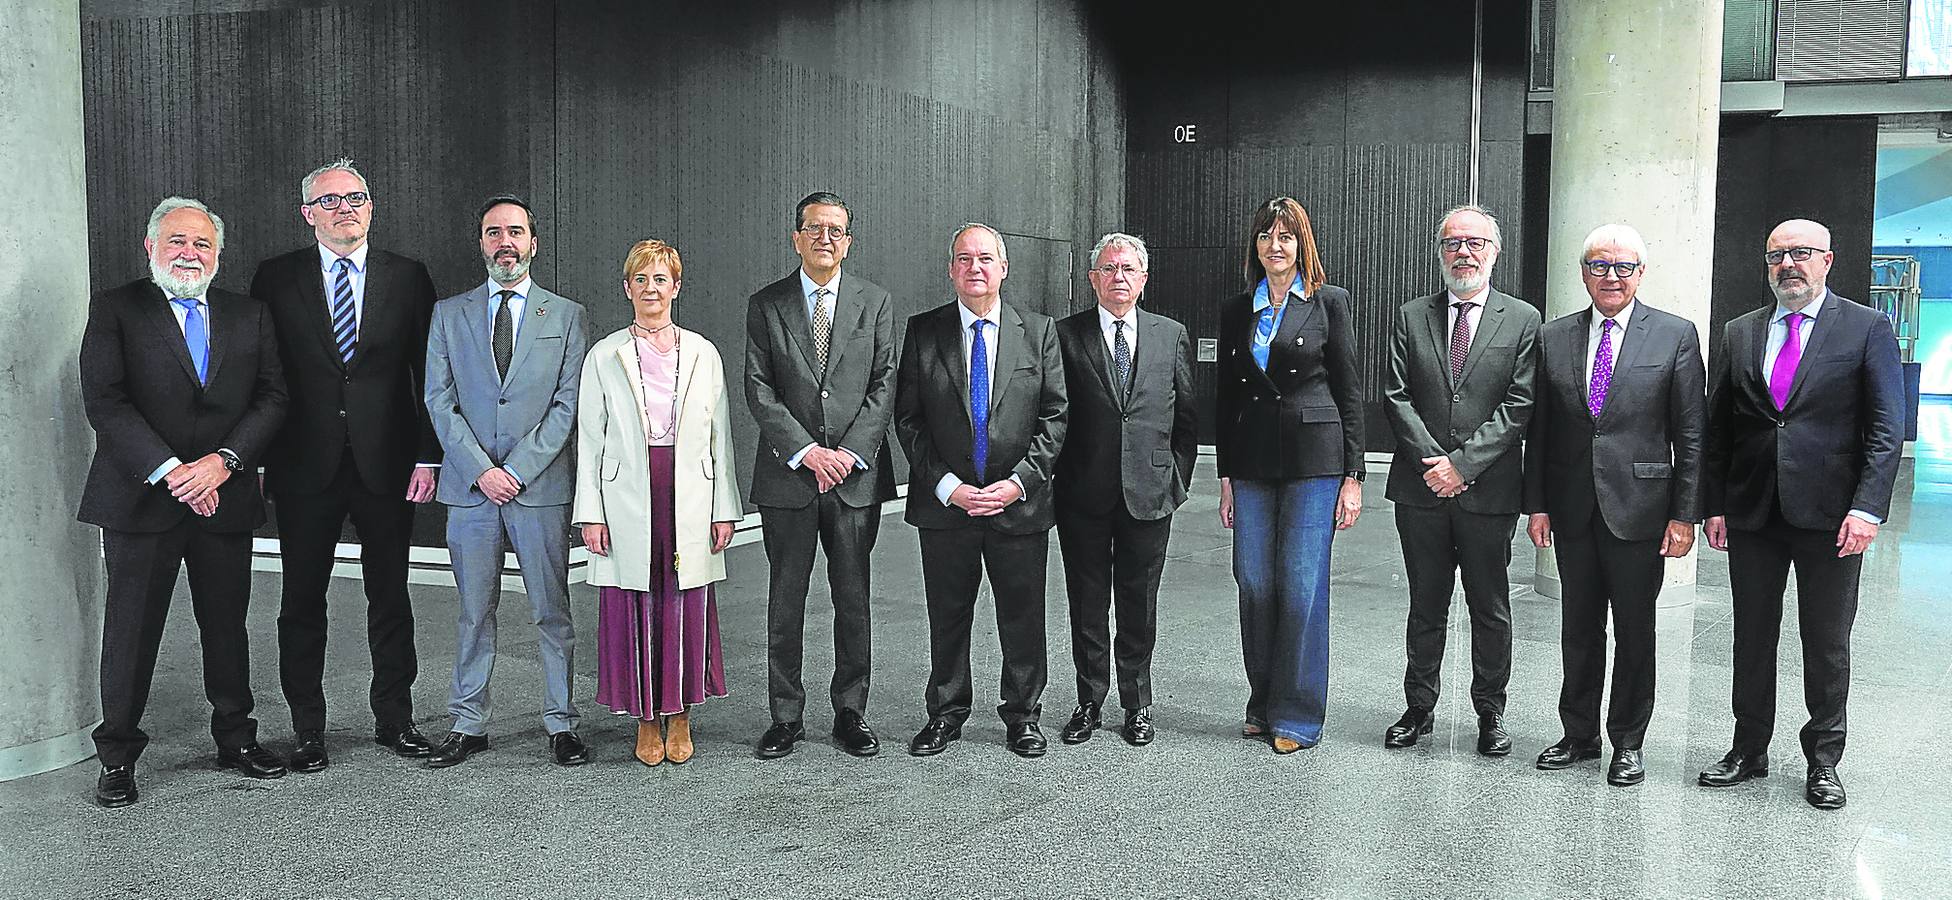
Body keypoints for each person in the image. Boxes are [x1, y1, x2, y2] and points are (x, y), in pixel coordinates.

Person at [78, 197, 290, 806]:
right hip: (141, 501)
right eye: (176, 241)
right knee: (132, 630)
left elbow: (273, 398)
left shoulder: (248, 314)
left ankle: (236, 737)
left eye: (201, 244)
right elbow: (106, 401)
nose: (189, 253)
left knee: (225, 625)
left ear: (218, 254)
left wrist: (221, 465)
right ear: (151, 247)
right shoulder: (117, 308)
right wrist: (175, 472)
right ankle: (116, 754)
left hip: (224, 495)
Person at [1699, 218, 1903, 810]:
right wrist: (1713, 504)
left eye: (1802, 254)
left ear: (1828, 260)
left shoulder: (1867, 328)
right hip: (1754, 510)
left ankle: (1823, 758)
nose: (1789, 264)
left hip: (1833, 516)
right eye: (1777, 256)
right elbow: (1720, 427)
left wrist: (1867, 508)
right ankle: (1748, 747)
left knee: (1827, 639)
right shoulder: (1740, 332)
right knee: (1751, 636)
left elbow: (1886, 429)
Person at [250, 158, 440, 769]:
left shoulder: (408, 277)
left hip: (388, 464)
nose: (345, 209)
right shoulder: (275, 279)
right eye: (329, 201)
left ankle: (395, 718)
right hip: (304, 466)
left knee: (391, 597)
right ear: (308, 213)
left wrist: (427, 456)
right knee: (302, 601)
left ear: (372, 206)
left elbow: (428, 376)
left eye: (355, 197)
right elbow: (263, 376)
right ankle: (308, 728)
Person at [1522, 223, 1705, 786]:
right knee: (1578, 628)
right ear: (1583, 273)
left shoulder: (1674, 335)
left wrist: (1684, 513)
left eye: (1624, 266)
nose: (1612, 276)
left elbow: (1691, 432)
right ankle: (1578, 734)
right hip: (1572, 508)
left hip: (1642, 510)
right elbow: (1541, 430)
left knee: (1634, 629)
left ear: (1641, 274)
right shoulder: (1554, 337)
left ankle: (1627, 741)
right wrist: (1537, 506)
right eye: (1600, 265)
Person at [421, 195, 590, 768]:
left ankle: (561, 722)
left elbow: (567, 406)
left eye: (515, 232)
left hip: (538, 489)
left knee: (551, 608)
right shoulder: (450, 314)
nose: (504, 243)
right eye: (493, 233)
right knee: (474, 610)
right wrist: (482, 471)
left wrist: (515, 471)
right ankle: (468, 724)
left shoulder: (566, 315)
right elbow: (438, 401)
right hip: (471, 491)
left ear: (533, 243)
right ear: (482, 244)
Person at [894, 222, 1067, 759]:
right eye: (964, 259)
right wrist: (949, 487)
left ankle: (1023, 715)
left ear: (1004, 268)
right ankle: (946, 713)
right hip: (947, 509)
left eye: (986, 258)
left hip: (1019, 507)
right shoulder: (923, 332)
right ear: (951, 269)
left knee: (1022, 616)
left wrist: (1018, 484)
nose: (975, 267)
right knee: (948, 615)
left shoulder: (1037, 331)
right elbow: (909, 420)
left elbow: (1055, 417)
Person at [574, 239, 743, 766]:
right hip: (626, 492)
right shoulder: (604, 354)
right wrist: (591, 512)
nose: (652, 289)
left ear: (676, 286)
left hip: (690, 489)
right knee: (636, 598)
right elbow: (590, 437)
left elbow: (720, 434)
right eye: (641, 280)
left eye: (661, 279)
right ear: (627, 289)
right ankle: (647, 718)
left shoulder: (703, 352)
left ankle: (682, 713)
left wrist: (724, 506)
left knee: (684, 598)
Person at [1381, 204, 1540, 757]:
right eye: (1453, 243)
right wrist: (1435, 464)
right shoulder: (1410, 315)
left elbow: (1519, 405)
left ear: (1495, 252)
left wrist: (1463, 466)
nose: (1464, 252)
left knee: (1489, 606)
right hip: (1420, 490)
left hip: (1489, 493)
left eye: (1475, 243)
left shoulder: (1522, 319)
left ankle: (1490, 713)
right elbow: (1395, 396)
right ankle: (1418, 707)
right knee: (1426, 603)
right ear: (1439, 251)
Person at [744, 192, 898, 759]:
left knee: (852, 598)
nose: (825, 238)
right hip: (790, 479)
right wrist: (808, 452)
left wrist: (849, 452)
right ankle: (785, 715)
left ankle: (850, 711)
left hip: (854, 480)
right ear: (796, 237)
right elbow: (758, 388)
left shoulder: (875, 302)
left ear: (849, 240)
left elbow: (885, 385)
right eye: (814, 229)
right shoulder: (767, 304)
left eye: (836, 230)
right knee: (785, 600)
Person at [1213, 198, 1365, 754]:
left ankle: (1297, 715)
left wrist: (1354, 474)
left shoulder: (1329, 303)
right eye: (1265, 236)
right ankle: (1263, 700)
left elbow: (1350, 390)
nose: (1275, 246)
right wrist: (1225, 475)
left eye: (1286, 236)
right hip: (1251, 461)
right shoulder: (1237, 309)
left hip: (1314, 461)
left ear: (1303, 244)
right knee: (1254, 582)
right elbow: (1225, 396)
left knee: (1301, 587)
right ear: (1254, 246)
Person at [1053, 232, 1197, 747]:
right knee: (1087, 602)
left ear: (1143, 279)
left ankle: (1137, 703)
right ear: (1093, 279)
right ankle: (1089, 700)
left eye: (1128, 269)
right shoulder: (1064, 336)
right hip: (1082, 494)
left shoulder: (1170, 334)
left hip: (1150, 492)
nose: (1119, 277)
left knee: (1139, 603)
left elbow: (1186, 420)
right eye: (1109, 269)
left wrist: (1174, 478)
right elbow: (1054, 414)